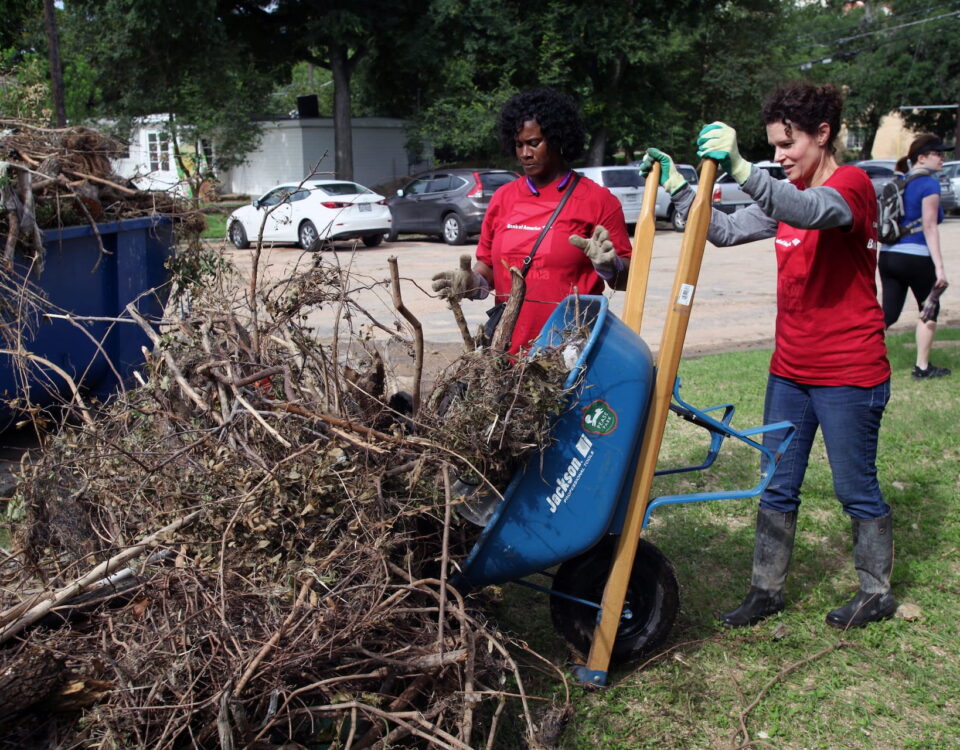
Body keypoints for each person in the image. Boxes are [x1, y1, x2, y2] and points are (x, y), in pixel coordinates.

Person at [641, 82, 895, 629]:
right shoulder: (789, 194)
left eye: (788, 144)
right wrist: (683, 188)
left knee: (855, 487)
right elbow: (727, 231)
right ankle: (766, 589)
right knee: (777, 482)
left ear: (823, 135)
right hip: (790, 372)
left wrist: (738, 164)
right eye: (772, 146)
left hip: (849, 373)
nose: (778, 157)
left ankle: (876, 591)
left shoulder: (849, 189)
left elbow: (805, 210)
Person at [431, 87, 632, 354]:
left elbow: (625, 280)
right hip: (505, 355)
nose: (525, 153)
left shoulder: (598, 201)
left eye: (534, 143)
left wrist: (609, 265)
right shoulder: (503, 198)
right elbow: (489, 271)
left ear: (557, 139)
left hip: (570, 355)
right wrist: (470, 283)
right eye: (518, 144)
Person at [879, 133, 952, 378]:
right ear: (921, 157)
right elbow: (930, 226)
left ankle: (852, 357)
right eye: (938, 154)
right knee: (928, 309)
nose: (943, 158)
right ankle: (922, 367)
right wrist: (940, 269)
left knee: (887, 313)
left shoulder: (901, 182)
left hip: (888, 256)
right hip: (916, 256)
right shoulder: (928, 184)